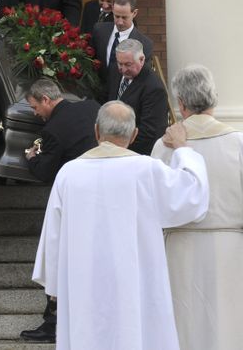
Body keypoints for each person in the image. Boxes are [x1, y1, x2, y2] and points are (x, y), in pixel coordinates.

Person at [33, 100, 210, 350]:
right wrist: (183, 149)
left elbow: (53, 234)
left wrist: (54, 285)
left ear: (96, 132)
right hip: (135, 283)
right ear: (135, 135)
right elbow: (191, 195)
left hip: (84, 284)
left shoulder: (68, 174)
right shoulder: (146, 170)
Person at [151, 65, 243, 350]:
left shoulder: (165, 145)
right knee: (230, 325)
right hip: (231, 246)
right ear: (214, 98)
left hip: (182, 246)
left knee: (186, 325)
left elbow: (154, 203)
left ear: (180, 103)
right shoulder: (238, 142)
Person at [20, 78, 100, 342]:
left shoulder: (53, 129)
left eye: (34, 107)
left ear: (46, 99)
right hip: (103, 195)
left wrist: (32, 157)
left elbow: (45, 172)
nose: (35, 113)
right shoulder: (90, 108)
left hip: (74, 203)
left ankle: (53, 321)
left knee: (57, 258)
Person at [108, 39, 168, 155]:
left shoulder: (154, 88)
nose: (123, 69)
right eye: (120, 64)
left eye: (128, 64)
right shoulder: (115, 72)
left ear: (142, 59)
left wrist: (120, 148)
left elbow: (149, 133)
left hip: (134, 153)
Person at [91, 0, 153, 95]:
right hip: (97, 96)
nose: (119, 22)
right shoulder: (99, 31)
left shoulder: (144, 44)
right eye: (116, 16)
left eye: (124, 17)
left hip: (123, 99)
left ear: (134, 13)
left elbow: (141, 80)